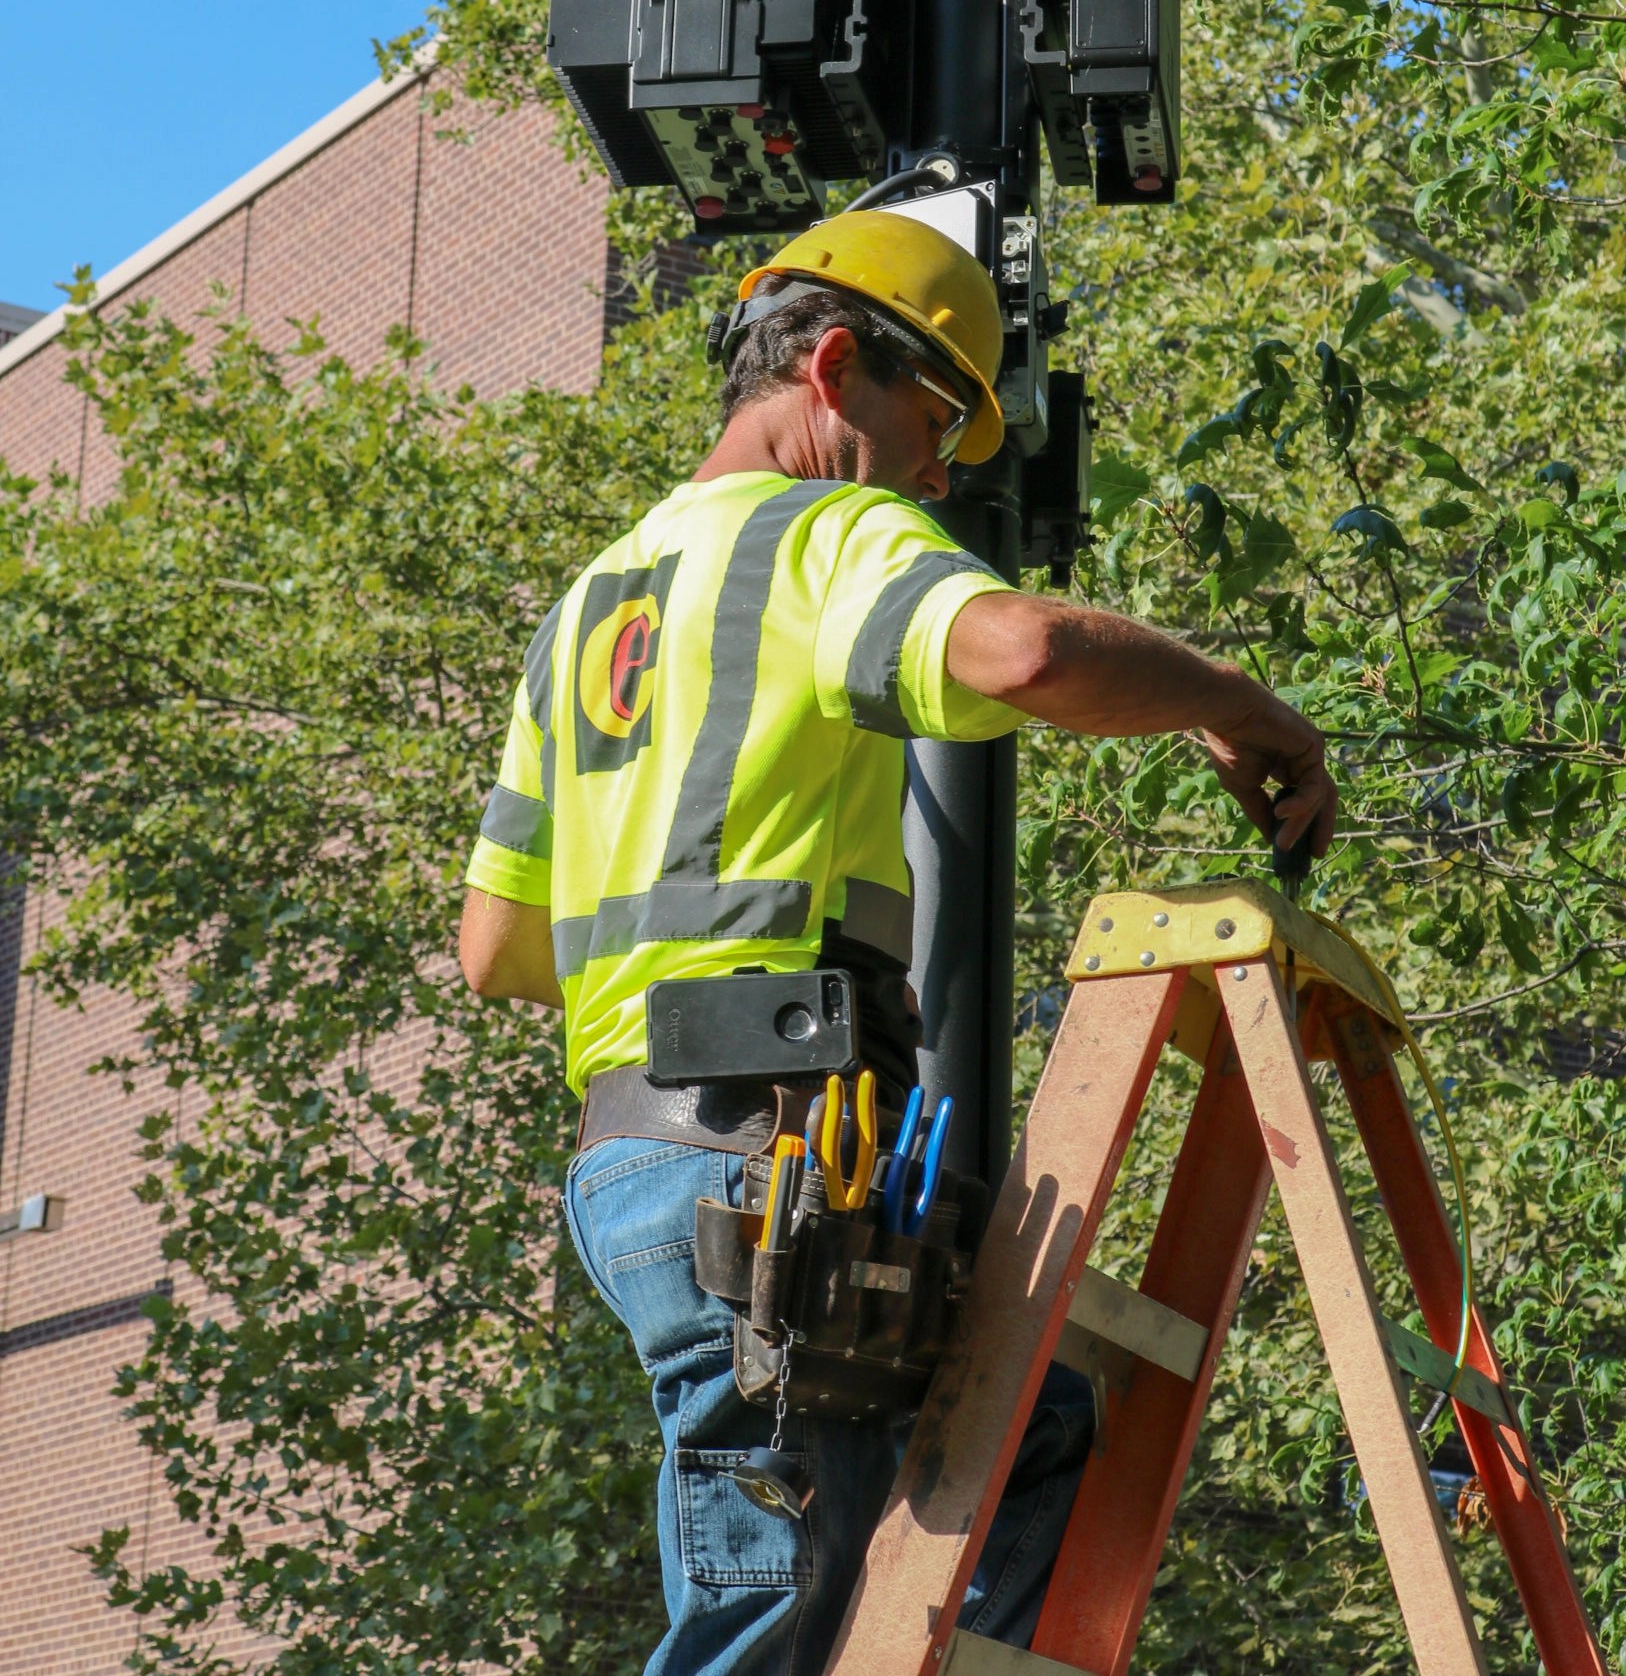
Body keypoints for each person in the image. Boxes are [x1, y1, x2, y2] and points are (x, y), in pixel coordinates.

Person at [458, 208, 1337, 1675]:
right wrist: (1242, 705)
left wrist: (702, 946)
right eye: (936, 422)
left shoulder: (589, 606)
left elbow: (498, 949)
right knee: (763, 1632)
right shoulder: (828, 531)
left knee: (1022, 1432)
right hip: (764, 1169)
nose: (941, 472)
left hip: (638, 1173)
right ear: (837, 366)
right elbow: (1028, 654)